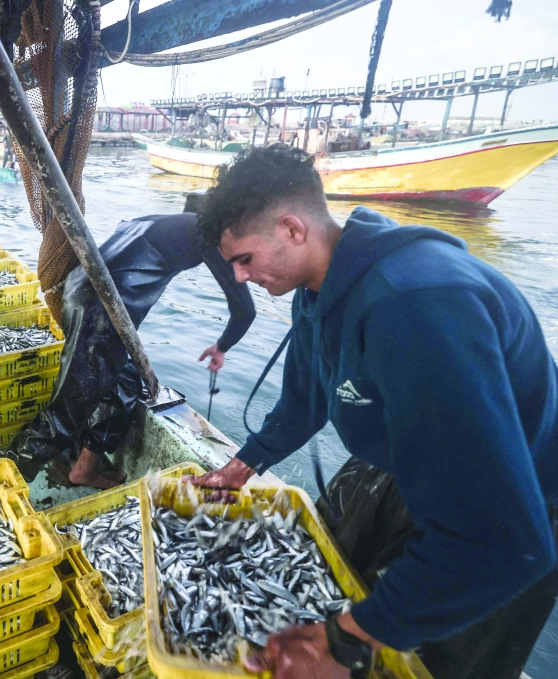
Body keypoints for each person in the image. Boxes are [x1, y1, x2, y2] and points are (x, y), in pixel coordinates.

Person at [191, 144, 558, 679]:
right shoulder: (319, 286)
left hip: (514, 498)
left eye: (244, 259)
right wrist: (242, 465)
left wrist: (346, 640)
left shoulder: (412, 305)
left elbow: (501, 537)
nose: (240, 279)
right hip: (418, 457)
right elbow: (304, 401)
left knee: (434, 659)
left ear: (293, 229)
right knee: (346, 589)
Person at [11, 213, 256, 488]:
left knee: (124, 383)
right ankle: (6, 476)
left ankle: (84, 469)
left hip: (80, 289)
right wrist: (222, 347)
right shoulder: (210, 233)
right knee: (68, 409)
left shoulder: (170, 221)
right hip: (100, 307)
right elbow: (245, 310)